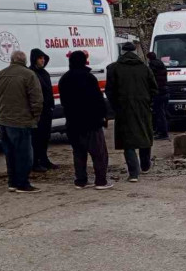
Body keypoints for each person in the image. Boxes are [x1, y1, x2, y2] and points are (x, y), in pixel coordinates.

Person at [0, 50, 44, 193]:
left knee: (10, 154)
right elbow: (37, 100)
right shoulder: (29, 75)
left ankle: (12, 182)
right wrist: (35, 117)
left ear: (11, 60)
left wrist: (2, 108)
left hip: (3, 120)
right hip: (21, 121)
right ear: (24, 61)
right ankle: (23, 183)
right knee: (24, 154)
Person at [59, 51, 113, 190]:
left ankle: (81, 180)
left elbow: (64, 102)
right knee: (99, 153)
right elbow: (98, 99)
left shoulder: (64, 79)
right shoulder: (89, 78)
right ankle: (100, 181)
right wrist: (104, 116)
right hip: (91, 122)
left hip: (73, 122)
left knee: (78, 153)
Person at [106, 43, 158, 183]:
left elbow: (109, 91)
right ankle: (145, 165)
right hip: (143, 108)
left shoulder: (114, 68)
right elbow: (154, 89)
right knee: (145, 135)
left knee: (128, 141)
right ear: (135, 52)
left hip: (124, 109)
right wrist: (148, 102)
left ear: (122, 51)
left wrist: (116, 106)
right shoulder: (144, 68)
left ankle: (133, 173)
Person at [29, 48, 57, 172]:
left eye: (44, 58)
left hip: (47, 110)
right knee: (36, 137)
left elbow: (48, 91)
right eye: (40, 58)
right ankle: (35, 162)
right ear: (35, 59)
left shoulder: (44, 73)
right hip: (37, 111)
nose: (43, 60)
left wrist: (51, 105)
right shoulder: (31, 73)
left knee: (45, 136)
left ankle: (44, 159)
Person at [146, 52, 170, 140]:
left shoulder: (152, 66)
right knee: (163, 112)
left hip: (158, 92)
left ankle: (163, 133)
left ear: (149, 58)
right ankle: (160, 130)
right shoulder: (161, 65)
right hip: (165, 91)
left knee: (159, 113)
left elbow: (151, 80)